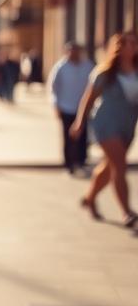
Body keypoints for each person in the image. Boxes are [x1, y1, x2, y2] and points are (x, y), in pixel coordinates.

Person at [73, 31, 138, 227]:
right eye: (129, 43)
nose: (133, 46)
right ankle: (127, 211)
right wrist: (79, 122)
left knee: (110, 166)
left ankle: (90, 198)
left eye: (135, 43)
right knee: (119, 165)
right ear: (119, 47)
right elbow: (88, 99)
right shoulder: (105, 72)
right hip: (106, 123)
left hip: (127, 125)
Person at [48, 41, 95, 175]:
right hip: (66, 106)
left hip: (83, 107)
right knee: (67, 135)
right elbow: (53, 88)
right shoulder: (60, 67)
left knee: (83, 135)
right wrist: (55, 105)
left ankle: (81, 160)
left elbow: (94, 86)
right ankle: (68, 162)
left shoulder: (88, 66)